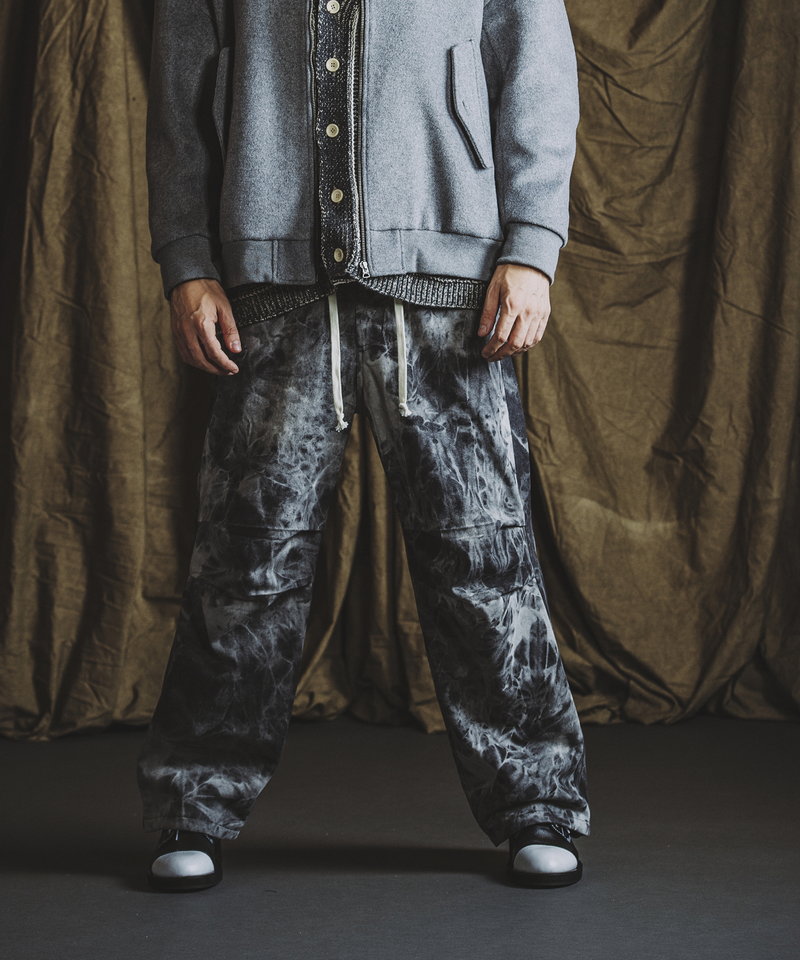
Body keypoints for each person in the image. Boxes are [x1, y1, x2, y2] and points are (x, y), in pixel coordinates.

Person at [137, 0, 591, 892]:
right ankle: (194, 803)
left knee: (484, 557)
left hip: (450, 281)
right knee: (245, 563)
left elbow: (536, 64)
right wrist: (187, 259)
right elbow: (182, 86)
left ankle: (537, 803)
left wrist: (533, 244)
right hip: (274, 279)